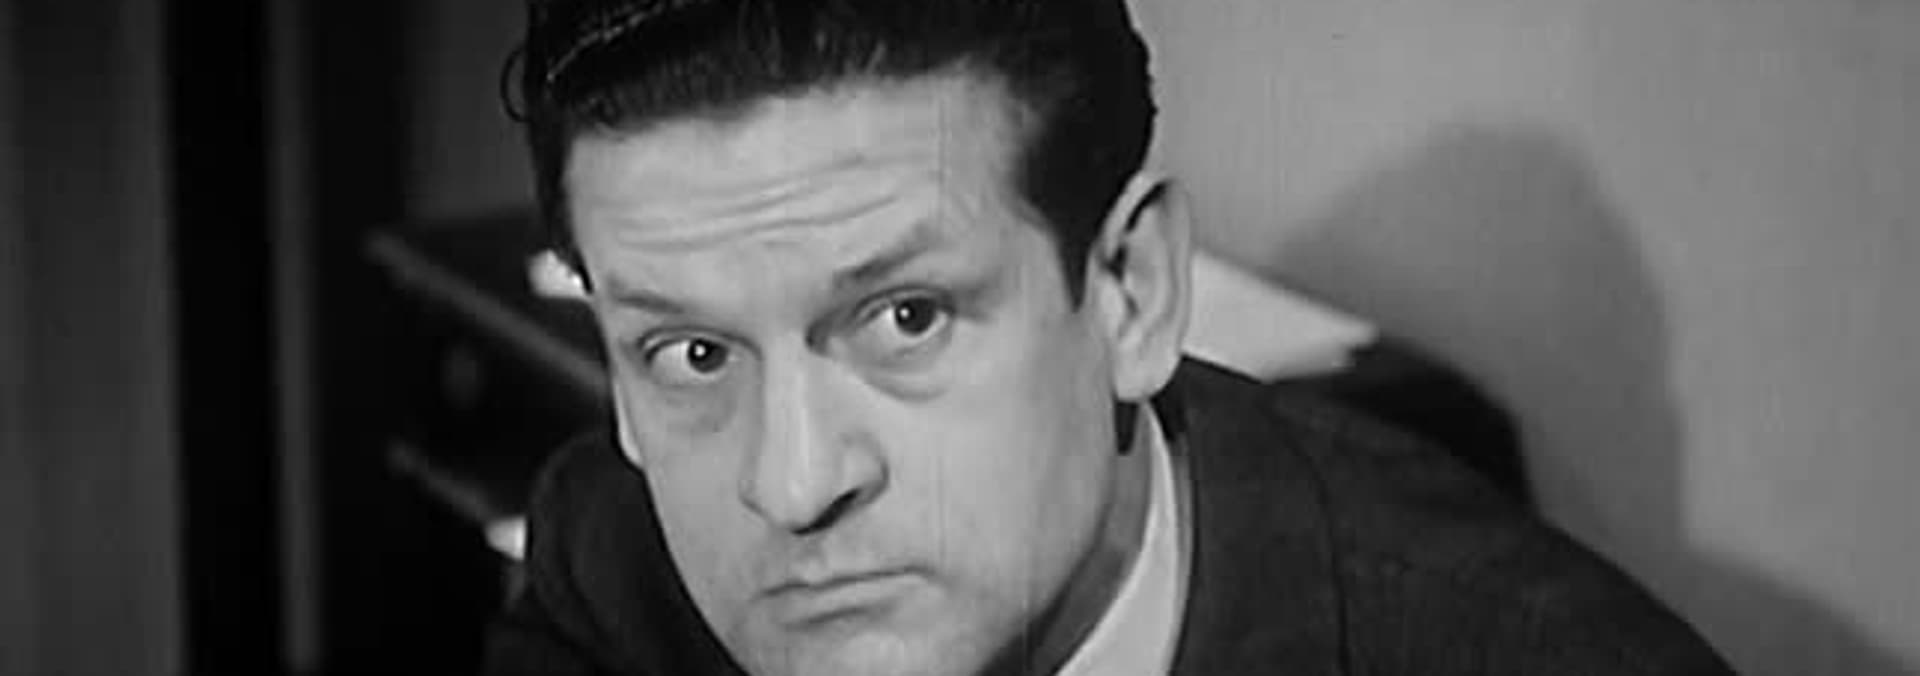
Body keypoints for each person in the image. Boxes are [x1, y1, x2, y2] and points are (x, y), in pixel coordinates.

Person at [483, 0, 1735, 674]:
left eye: (907, 317)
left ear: (1133, 293)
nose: (795, 483)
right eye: (693, 354)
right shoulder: (612, 567)